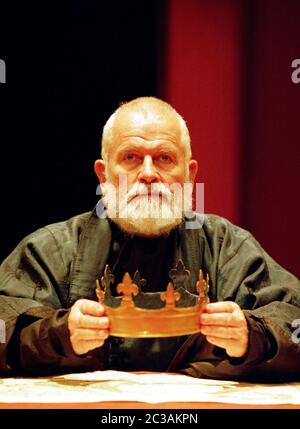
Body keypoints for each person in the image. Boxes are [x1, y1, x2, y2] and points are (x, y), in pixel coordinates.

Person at [0, 96, 299, 380]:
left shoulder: (227, 248)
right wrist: (56, 335)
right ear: (103, 175)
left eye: (164, 158)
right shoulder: (51, 250)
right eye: (130, 157)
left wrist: (255, 337)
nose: (148, 173)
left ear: (190, 175)